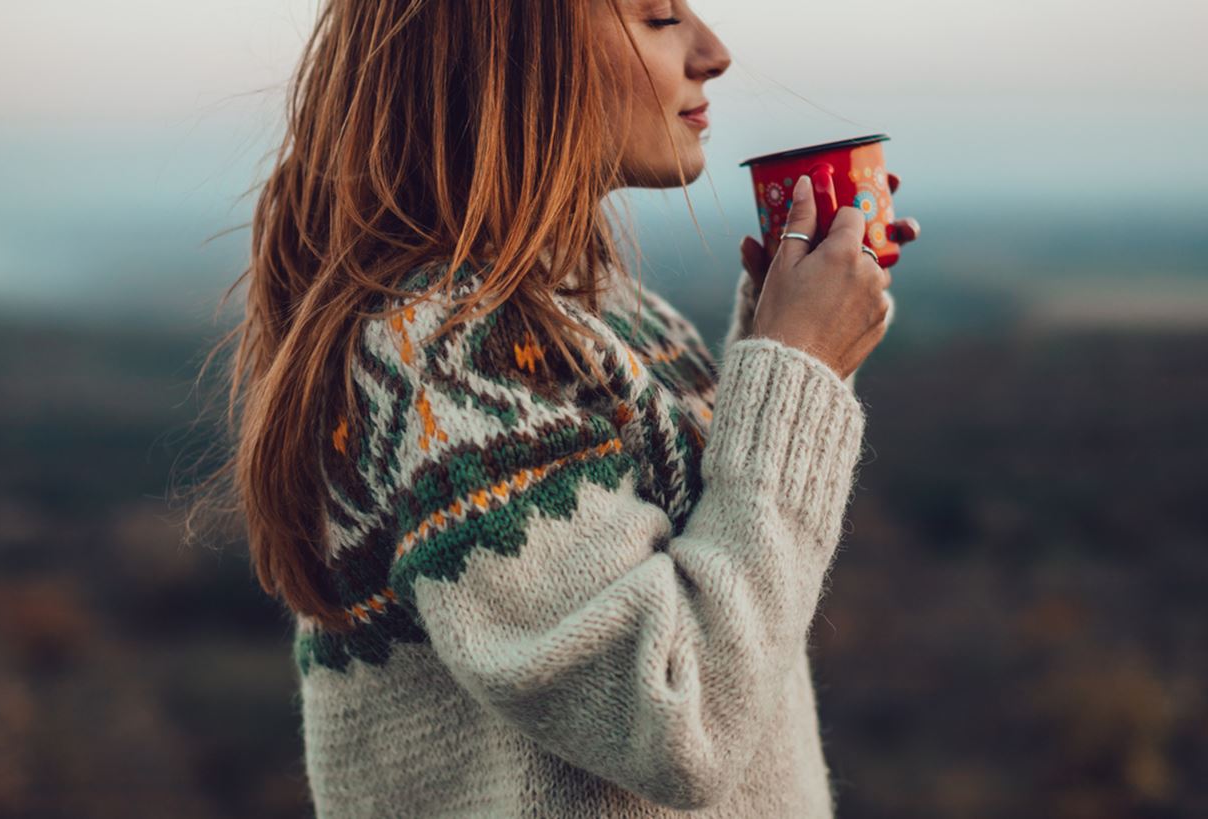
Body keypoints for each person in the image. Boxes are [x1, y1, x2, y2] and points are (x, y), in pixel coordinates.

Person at [214, 0, 920, 815]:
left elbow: (718, 573)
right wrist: (796, 370)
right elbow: (675, 715)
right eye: (658, 17)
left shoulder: (606, 316)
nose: (714, 52)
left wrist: (781, 336)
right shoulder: (448, 353)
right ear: (509, 57)